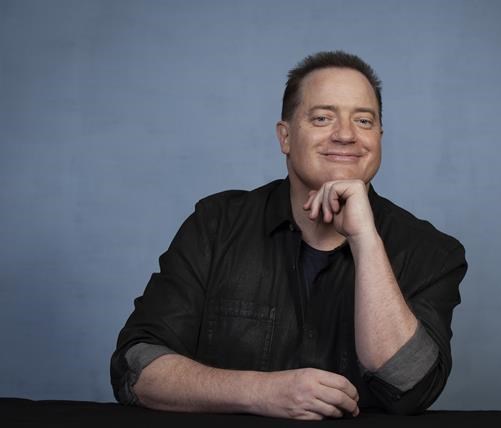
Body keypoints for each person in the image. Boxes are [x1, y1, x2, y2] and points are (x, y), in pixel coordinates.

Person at [110, 51, 467, 420]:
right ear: (285, 137)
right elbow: (135, 368)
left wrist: (365, 239)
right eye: (322, 118)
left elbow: (410, 386)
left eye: (363, 120)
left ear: (378, 138)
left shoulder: (432, 252)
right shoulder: (215, 225)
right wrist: (259, 392)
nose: (346, 135)